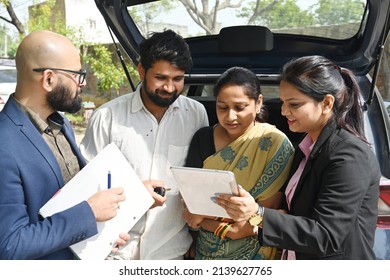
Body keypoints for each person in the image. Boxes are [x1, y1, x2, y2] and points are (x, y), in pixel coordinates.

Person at [216, 55, 381, 260]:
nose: (284, 111)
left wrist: (258, 214)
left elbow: (326, 236)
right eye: (284, 102)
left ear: (327, 103)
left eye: (294, 104)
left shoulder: (348, 155)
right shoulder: (306, 148)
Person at [0, 30, 130, 260]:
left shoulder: (62, 124)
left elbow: (72, 199)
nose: (82, 83)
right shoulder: (4, 143)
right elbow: (11, 246)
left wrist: (100, 233)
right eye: (77, 75)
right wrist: (89, 214)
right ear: (48, 79)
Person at [80, 29, 209, 260]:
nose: (169, 88)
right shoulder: (106, 117)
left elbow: (199, 179)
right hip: (115, 252)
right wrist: (135, 193)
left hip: (172, 253)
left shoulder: (196, 114)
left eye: (177, 79)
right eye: (161, 78)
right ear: (142, 71)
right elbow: (87, 188)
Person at [183, 66, 294, 260]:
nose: (230, 116)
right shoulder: (203, 138)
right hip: (205, 253)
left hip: (255, 252)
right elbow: (190, 205)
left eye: (240, 108)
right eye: (222, 107)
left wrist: (203, 221)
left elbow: (257, 220)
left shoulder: (275, 144)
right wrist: (196, 222)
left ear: (258, 102)